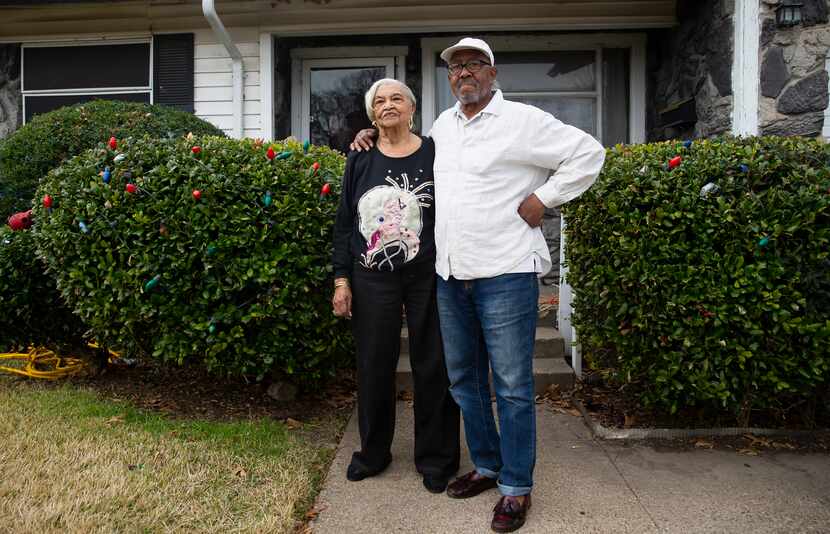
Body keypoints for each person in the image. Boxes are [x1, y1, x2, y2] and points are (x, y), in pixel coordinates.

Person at [353, 38, 605, 532]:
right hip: (449, 277)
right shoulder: (444, 127)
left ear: (492, 71)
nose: (463, 73)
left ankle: (515, 487)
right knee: (465, 382)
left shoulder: (524, 121)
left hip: (505, 273)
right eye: (456, 68)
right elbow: (405, 151)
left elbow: (589, 154)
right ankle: (488, 466)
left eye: (473, 65)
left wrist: (546, 197)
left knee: (510, 386)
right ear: (449, 79)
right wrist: (370, 133)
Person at [331, 78, 460, 494]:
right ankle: (372, 453)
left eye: (397, 99)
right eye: (380, 101)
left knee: (434, 363)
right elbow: (345, 223)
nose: (389, 105)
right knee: (373, 363)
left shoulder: (435, 152)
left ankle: (437, 459)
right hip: (371, 276)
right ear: (372, 114)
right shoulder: (360, 158)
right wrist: (341, 279)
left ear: (411, 108)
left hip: (428, 274)